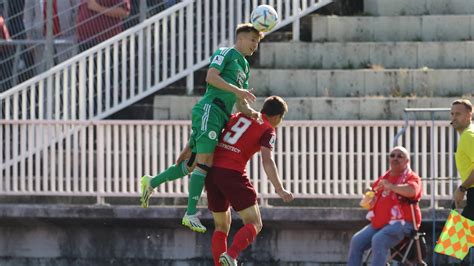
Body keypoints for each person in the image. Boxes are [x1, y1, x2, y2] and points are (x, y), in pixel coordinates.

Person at [140, 23, 264, 233]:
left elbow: (240, 102)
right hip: (210, 110)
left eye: (258, 42)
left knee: (191, 164)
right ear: (241, 38)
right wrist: (238, 91)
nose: (255, 46)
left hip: (220, 117)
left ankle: (152, 182)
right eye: (253, 40)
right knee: (205, 163)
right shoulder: (225, 52)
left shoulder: (244, 66)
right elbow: (211, 77)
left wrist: (251, 112)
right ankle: (190, 214)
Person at [205, 95, 294, 266]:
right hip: (232, 174)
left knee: (221, 226)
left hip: (212, 172)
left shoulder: (240, 115)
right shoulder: (268, 129)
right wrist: (280, 189)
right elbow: (267, 161)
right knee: (255, 223)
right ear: (277, 117)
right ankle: (231, 255)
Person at [347, 146, 422, 266]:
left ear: (407, 161)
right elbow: (374, 190)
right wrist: (369, 192)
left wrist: (392, 186)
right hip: (380, 223)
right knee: (356, 240)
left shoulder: (411, 177)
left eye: (400, 156)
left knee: (379, 239)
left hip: (404, 223)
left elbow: (412, 191)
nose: (395, 158)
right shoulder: (385, 178)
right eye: (392, 155)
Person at [451, 99, 474, 219]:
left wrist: (462, 188)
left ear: (469, 115)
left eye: (458, 114)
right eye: (452, 114)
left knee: (458, 237)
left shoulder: (469, 136)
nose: (454, 117)